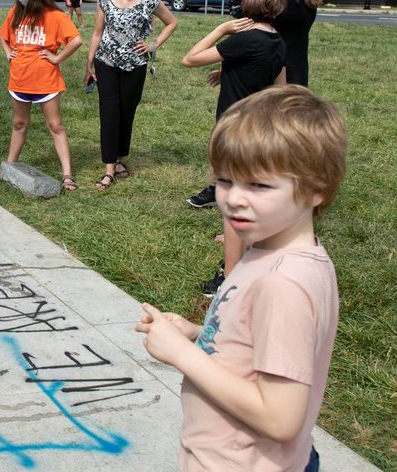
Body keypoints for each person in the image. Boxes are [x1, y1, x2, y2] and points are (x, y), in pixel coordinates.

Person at [134, 85, 348, 472]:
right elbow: (259, 344)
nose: (233, 198)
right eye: (224, 181)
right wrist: (199, 333)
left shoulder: (283, 283)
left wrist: (180, 355)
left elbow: (280, 419)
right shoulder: (272, 250)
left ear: (317, 189)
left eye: (258, 185)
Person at [181, 0, 289, 296]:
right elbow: (279, 88)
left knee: (232, 199)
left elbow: (189, 59)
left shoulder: (244, 38)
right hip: (258, 126)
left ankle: (229, 276)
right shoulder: (276, 39)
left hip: (234, 128)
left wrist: (221, 30)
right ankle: (239, 239)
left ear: (253, 1)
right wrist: (231, 70)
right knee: (249, 192)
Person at [85, 0, 177, 190]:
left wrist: (154, 44)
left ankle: (119, 159)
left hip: (135, 64)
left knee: (127, 112)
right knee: (109, 112)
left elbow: (172, 22)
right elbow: (97, 33)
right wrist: (89, 62)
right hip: (106, 62)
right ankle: (108, 169)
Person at [0, 0, 83, 191]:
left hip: (46, 80)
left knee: (55, 125)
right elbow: (3, 36)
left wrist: (57, 58)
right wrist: (7, 53)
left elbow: (77, 40)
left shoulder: (54, 15)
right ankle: (9, 166)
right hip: (20, 79)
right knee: (19, 124)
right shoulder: (17, 12)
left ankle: (67, 174)